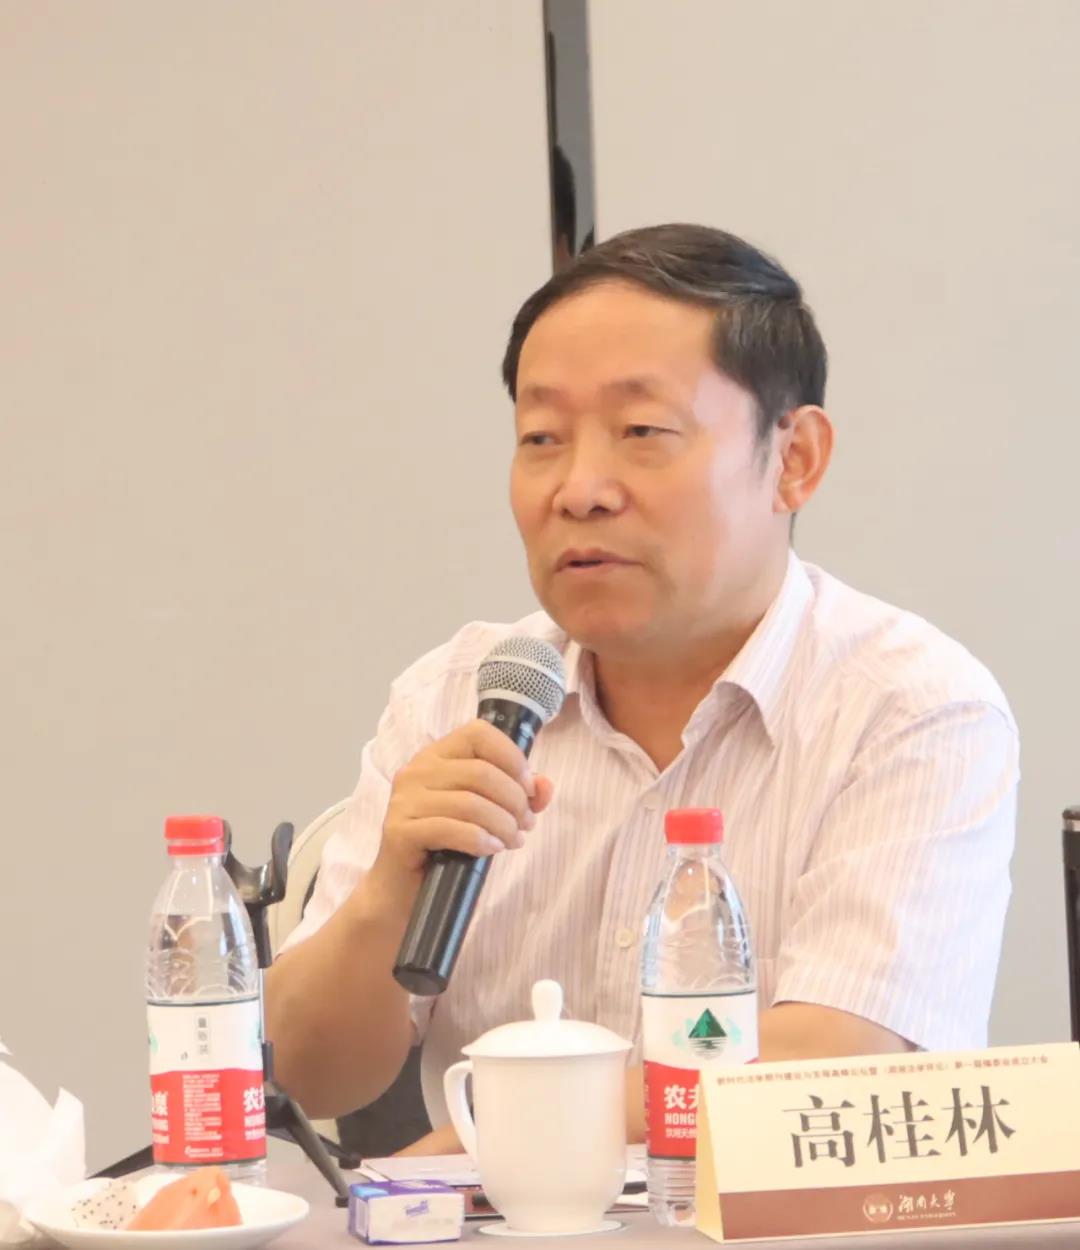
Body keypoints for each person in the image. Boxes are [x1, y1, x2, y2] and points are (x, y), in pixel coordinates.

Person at [265, 223, 1018, 1154]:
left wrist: (502, 1136)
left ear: (794, 460)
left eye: (642, 433)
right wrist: (389, 892)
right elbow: (308, 1075)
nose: (579, 489)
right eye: (541, 438)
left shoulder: (910, 707)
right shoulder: (457, 694)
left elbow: (840, 1061)